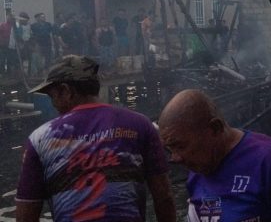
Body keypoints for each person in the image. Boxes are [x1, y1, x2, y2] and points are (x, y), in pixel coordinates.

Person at [15, 55, 176, 222]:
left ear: (66, 91)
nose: (53, 103)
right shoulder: (140, 124)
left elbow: (27, 213)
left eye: (52, 96)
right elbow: (164, 197)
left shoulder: (39, 139)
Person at [158, 89, 271, 222]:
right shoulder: (198, 171)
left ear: (215, 128)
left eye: (180, 146)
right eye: (170, 149)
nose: (175, 158)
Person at [30, 13, 54, 77]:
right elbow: (32, 34)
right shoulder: (33, 26)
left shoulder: (48, 24)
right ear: (38, 18)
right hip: (39, 44)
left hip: (47, 43)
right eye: (41, 17)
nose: (43, 18)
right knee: (39, 59)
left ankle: (47, 71)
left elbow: (51, 33)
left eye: (44, 17)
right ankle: (40, 72)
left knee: (47, 58)